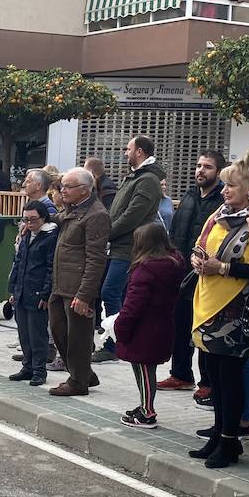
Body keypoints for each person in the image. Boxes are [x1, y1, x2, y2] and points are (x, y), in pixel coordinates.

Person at [189, 149, 249, 469]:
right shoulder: (221, 214)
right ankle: (218, 433)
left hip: (236, 309)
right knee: (213, 373)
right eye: (225, 185)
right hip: (209, 300)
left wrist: (222, 268)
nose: (225, 190)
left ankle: (230, 441)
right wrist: (198, 259)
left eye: (232, 186)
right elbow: (204, 245)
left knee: (229, 377)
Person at [161, 151, 225, 396]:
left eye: (207, 167)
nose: (200, 170)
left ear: (218, 172)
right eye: (198, 165)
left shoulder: (222, 199)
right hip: (182, 272)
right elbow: (176, 231)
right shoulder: (189, 195)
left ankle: (207, 382)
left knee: (204, 329)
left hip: (208, 274)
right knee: (180, 324)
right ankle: (180, 374)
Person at [96, 136, 165, 362]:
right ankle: (120, 340)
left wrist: (108, 232)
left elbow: (132, 216)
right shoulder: (136, 177)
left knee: (110, 292)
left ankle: (114, 344)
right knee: (119, 294)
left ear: (140, 152)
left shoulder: (148, 180)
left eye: (128, 149)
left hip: (129, 246)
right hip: (119, 244)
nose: (125, 153)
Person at [114, 223, 186, 428]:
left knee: (144, 369)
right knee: (146, 367)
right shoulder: (173, 263)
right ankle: (144, 405)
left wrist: (120, 325)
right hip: (162, 323)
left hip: (144, 328)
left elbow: (133, 304)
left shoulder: (145, 270)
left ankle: (147, 411)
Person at [48, 167, 110, 397]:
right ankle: (84, 373)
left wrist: (85, 295)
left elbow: (96, 259)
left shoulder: (96, 215)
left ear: (84, 190)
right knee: (57, 330)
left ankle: (78, 381)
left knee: (78, 337)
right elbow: (58, 218)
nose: (62, 190)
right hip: (60, 283)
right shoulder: (73, 209)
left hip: (77, 288)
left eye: (67, 186)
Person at [7, 201, 57, 387]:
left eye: (33, 219)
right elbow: (19, 263)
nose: (29, 223)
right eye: (25, 219)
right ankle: (27, 367)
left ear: (43, 217)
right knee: (23, 333)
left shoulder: (50, 236)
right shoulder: (27, 235)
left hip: (37, 291)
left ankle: (39, 370)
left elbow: (51, 268)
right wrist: (13, 290)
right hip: (22, 290)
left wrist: (45, 294)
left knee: (37, 334)